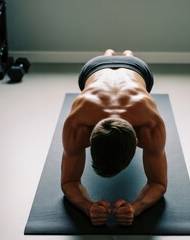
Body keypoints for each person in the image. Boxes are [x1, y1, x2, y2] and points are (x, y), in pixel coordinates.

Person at [61, 49, 167, 226]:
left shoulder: (150, 123)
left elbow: (159, 183)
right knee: (112, 54)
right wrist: (87, 207)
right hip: (95, 68)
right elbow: (68, 181)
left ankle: (123, 54)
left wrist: (136, 207)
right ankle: (112, 54)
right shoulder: (77, 123)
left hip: (136, 68)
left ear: (137, 141)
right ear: (89, 138)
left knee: (128, 56)